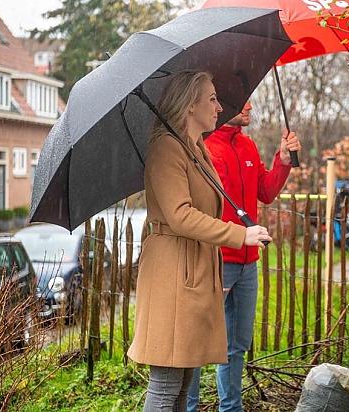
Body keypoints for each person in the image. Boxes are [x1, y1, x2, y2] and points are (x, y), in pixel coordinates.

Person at [127, 71, 272, 412]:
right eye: (211, 99)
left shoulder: (194, 148)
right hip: (172, 274)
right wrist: (240, 234)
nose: (220, 107)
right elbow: (180, 215)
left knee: (183, 385)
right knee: (166, 386)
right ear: (190, 105)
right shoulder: (166, 148)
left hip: (191, 272)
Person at [187, 101, 301, 411]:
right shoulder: (204, 148)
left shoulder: (247, 145)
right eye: (243, 100)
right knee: (197, 345)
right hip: (217, 262)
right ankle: (189, 407)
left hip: (248, 264)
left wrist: (282, 159)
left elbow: (265, 191)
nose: (249, 106)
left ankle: (231, 407)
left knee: (236, 346)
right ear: (221, 103)